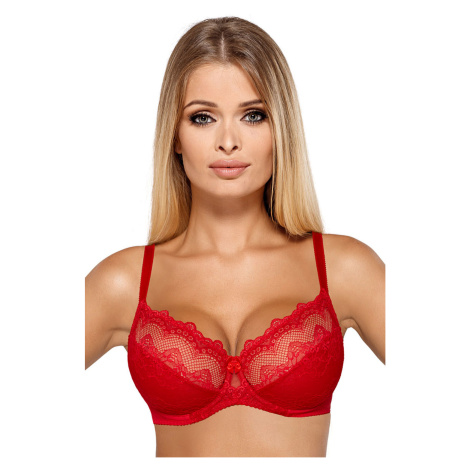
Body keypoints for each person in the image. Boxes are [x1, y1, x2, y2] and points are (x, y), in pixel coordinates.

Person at [85, 16, 385, 458]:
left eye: (253, 115)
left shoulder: (344, 269)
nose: (228, 141)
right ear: (175, 136)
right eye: (203, 118)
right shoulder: (123, 282)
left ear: (280, 130)